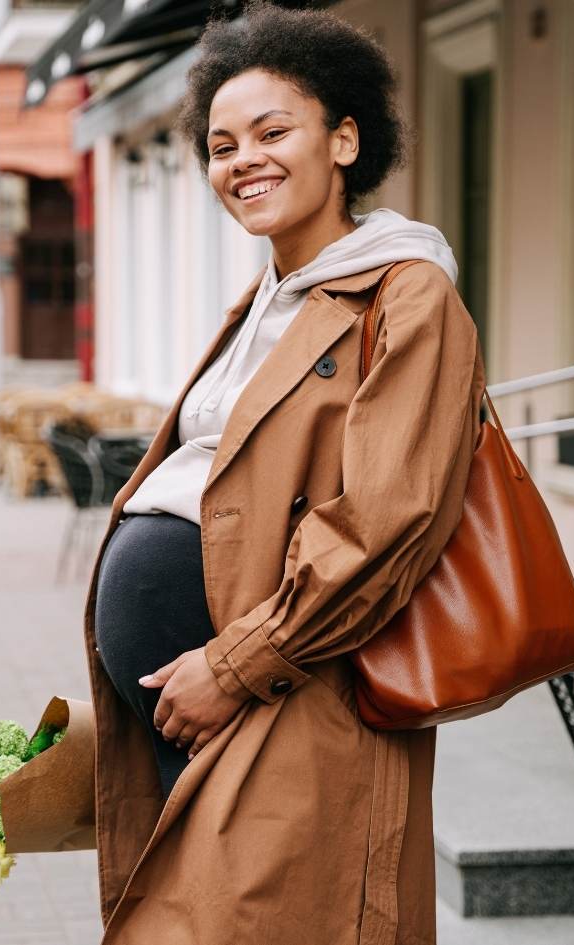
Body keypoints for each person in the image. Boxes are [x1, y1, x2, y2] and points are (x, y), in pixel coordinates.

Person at [87, 2, 485, 943]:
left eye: (272, 132)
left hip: (287, 687)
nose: (243, 161)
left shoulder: (407, 293)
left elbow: (387, 520)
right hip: (200, 695)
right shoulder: (266, 300)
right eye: (221, 145)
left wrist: (234, 666)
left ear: (344, 139)